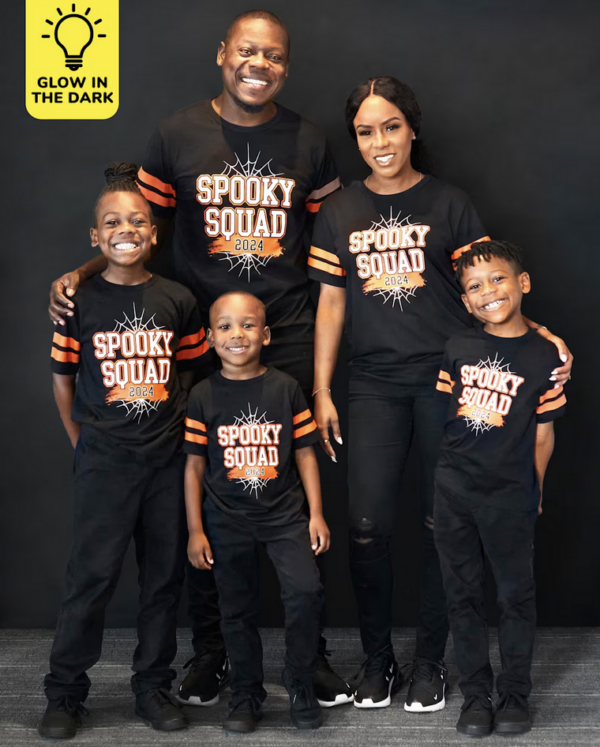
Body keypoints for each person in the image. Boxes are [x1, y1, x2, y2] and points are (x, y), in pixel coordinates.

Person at [47, 9, 349, 709]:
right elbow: (137, 230)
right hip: (196, 335)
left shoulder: (309, 140)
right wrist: (84, 272)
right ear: (223, 54)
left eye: (273, 55)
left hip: (289, 333)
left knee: (293, 492)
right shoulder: (177, 134)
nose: (259, 63)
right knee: (208, 497)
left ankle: (315, 654)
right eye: (248, 50)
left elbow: (337, 232)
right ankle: (213, 650)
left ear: (285, 65)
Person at [309, 76, 573, 711]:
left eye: (392, 126)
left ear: (412, 129)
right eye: (366, 131)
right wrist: (322, 387)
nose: (380, 142)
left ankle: (430, 662)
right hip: (372, 382)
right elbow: (331, 303)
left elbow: (491, 289)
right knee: (368, 525)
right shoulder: (339, 210)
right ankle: (378, 663)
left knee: (439, 525)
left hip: (448, 380)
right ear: (356, 138)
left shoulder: (450, 204)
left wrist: (542, 334)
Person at [39, 163, 208, 739]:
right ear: (96, 237)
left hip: (165, 462)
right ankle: (64, 694)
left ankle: (152, 687)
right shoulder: (78, 302)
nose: (125, 228)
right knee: (91, 578)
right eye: (112, 221)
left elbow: (189, 374)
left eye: (138, 220)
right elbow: (63, 379)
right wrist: (82, 442)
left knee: (162, 581)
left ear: (154, 232)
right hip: (105, 460)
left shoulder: (178, 300)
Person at [434, 240, 566, 736]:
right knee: (461, 594)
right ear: (466, 302)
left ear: (522, 283)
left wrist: (534, 490)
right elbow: (449, 420)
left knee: (514, 596)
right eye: (475, 287)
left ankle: (514, 694)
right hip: (453, 492)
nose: (488, 291)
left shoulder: (546, 355)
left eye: (498, 279)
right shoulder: (457, 348)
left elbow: (544, 434)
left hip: (509, 494)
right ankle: (476, 695)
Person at [183, 290, 329, 733]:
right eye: (225, 327)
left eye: (247, 325)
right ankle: (247, 691)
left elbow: (305, 454)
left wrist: (316, 514)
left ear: (265, 334)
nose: (237, 334)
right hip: (226, 519)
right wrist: (195, 529)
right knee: (236, 609)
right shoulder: (203, 395)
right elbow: (193, 467)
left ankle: (300, 680)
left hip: (285, 517)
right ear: (210, 338)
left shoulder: (285, 388)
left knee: (305, 592)